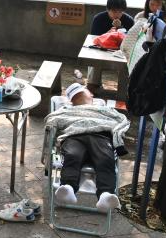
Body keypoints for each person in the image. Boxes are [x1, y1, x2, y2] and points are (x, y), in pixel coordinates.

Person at [46, 83, 127, 212]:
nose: (92, 94)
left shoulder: (104, 110)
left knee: (105, 158)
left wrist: (118, 139)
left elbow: (121, 121)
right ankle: (68, 188)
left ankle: (105, 195)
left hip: (100, 136)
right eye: (89, 92)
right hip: (74, 136)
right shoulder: (67, 110)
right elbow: (51, 120)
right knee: (73, 156)